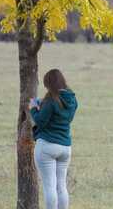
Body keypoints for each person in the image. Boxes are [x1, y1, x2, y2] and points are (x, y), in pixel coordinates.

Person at [29, 69, 78, 209]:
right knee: (61, 186)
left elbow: (40, 120)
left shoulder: (51, 101)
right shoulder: (72, 99)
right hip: (65, 148)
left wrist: (33, 107)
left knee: (49, 186)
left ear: (49, 85)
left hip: (47, 146)